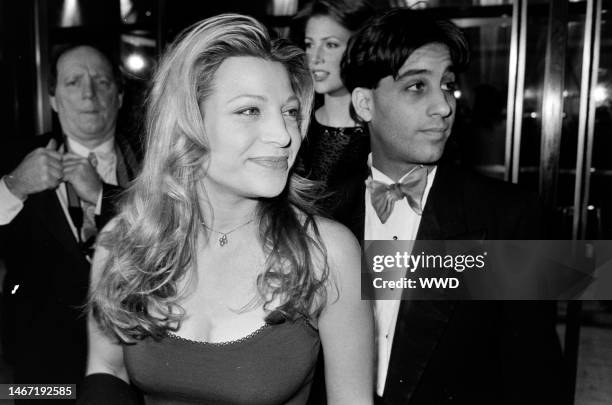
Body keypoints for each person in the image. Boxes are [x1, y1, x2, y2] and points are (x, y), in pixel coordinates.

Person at [80, 14, 373, 405]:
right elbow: (108, 370)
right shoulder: (123, 242)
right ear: (188, 122)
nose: (284, 135)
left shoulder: (328, 254)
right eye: (250, 111)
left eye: (289, 111)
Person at [338, 8, 564, 404]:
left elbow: (536, 377)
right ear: (364, 103)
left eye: (447, 85)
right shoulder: (324, 212)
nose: (443, 106)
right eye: (416, 87)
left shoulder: (509, 217)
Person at [0, 44, 139, 399]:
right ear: (53, 99)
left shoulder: (152, 162)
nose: (89, 94)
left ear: (120, 96)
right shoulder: (14, 160)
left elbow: (175, 229)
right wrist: (15, 185)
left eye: (102, 82)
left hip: (136, 362)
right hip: (41, 370)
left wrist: (103, 196)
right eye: (74, 82)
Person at [294, 0, 375, 212]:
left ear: (359, 49)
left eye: (330, 44)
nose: (315, 57)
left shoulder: (381, 133)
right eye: (310, 44)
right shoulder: (294, 124)